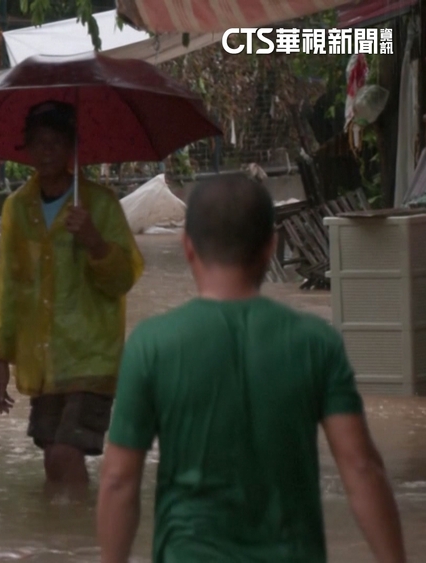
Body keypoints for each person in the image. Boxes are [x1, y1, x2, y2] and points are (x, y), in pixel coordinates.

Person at [97, 174, 406, 562]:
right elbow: (361, 467)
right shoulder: (315, 343)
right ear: (270, 246)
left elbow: (118, 480)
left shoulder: (151, 344)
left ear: (188, 246)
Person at [0, 100, 144, 492]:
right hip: (43, 357)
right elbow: (9, 286)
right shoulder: (17, 209)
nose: (46, 153)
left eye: (56, 143)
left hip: (91, 356)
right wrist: (2, 359)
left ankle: (81, 528)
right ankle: (70, 524)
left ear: (72, 148)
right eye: (38, 143)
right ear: (27, 148)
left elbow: (124, 277)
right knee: (52, 459)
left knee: (65, 454)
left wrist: (94, 242)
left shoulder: (99, 204)